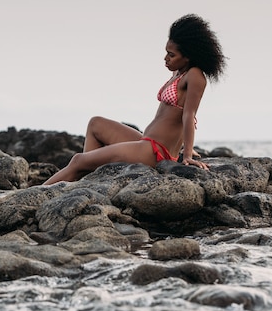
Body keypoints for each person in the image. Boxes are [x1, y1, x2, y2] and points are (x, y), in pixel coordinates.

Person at [43, 14, 226, 185]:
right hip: (146, 142)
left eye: (172, 55)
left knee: (78, 160)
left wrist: (186, 154)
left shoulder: (195, 76)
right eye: (166, 52)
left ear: (188, 56)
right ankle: (90, 178)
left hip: (156, 152)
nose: (166, 58)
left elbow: (189, 115)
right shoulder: (179, 72)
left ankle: (40, 191)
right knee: (96, 124)